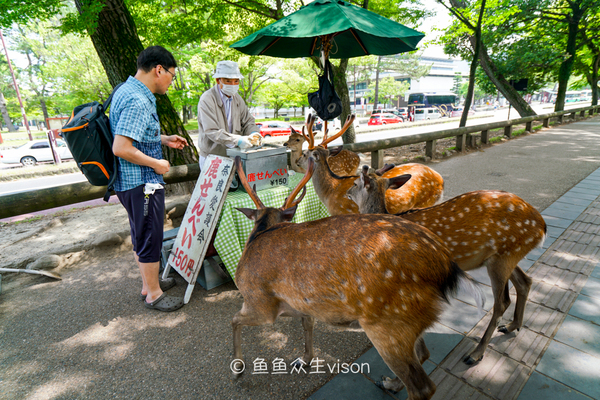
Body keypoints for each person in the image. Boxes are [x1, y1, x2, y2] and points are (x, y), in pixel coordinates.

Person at [110, 46, 188, 312]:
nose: (170, 81)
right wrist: (158, 163)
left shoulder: (126, 90)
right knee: (150, 236)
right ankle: (154, 294)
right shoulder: (138, 100)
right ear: (158, 70)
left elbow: (135, 134)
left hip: (130, 182)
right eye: (171, 76)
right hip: (142, 182)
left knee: (141, 234)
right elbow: (121, 147)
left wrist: (164, 139)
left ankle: (149, 284)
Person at [197, 60, 261, 168]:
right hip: (213, 157)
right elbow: (211, 131)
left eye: (236, 81)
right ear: (218, 80)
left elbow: (248, 121)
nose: (233, 85)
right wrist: (238, 140)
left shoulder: (237, 98)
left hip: (234, 155)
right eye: (228, 81)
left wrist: (254, 133)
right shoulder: (207, 99)